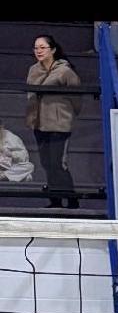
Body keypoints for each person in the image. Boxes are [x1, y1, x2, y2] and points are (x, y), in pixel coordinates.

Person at [25, 34, 81, 210]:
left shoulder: (65, 71)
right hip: (39, 123)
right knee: (46, 163)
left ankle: (71, 199)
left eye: (42, 47)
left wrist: (68, 114)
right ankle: (55, 199)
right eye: (36, 48)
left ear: (53, 50)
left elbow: (77, 97)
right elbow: (30, 94)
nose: (38, 51)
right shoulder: (33, 70)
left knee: (57, 163)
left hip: (59, 124)